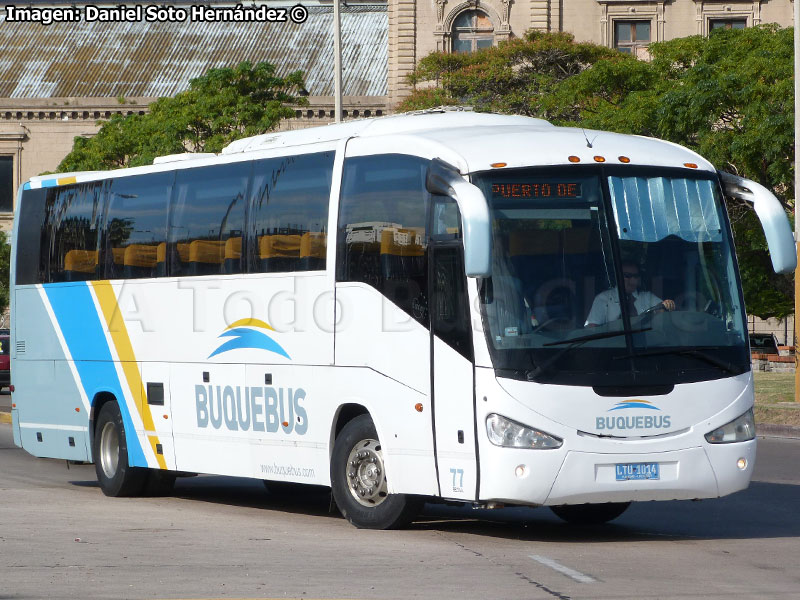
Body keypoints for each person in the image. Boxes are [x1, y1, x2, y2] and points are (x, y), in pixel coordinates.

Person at [585, 261, 675, 326]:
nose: (632, 280)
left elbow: (663, 309)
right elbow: (592, 328)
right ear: (617, 276)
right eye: (627, 276)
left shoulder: (646, 297)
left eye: (635, 276)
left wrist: (667, 304)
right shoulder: (603, 298)